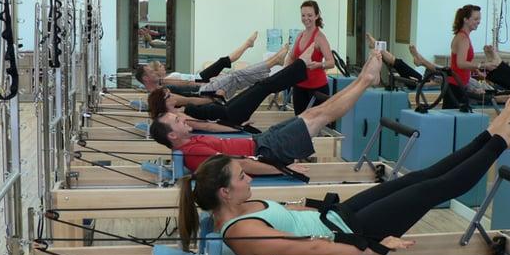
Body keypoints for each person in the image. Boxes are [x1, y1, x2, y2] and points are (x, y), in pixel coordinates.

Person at [176, 98, 510, 255]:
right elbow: (311, 249)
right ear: (224, 192)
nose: (247, 176)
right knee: (434, 190)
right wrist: (371, 246)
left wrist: (313, 204)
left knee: (420, 177)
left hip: (339, 216)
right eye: (241, 176)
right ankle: (501, 142)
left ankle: (490, 134)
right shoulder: (242, 233)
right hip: (353, 237)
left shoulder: (233, 208)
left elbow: (289, 213)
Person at [150, 48, 380, 173]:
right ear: (172, 135)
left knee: (314, 113)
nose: (182, 120)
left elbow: (210, 128)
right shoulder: (193, 153)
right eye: (177, 122)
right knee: (320, 115)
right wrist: (282, 169)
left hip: (260, 140)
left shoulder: (189, 142)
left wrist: (239, 128)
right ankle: (365, 80)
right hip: (268, 150)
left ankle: (363, 79)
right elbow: (239, 165)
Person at [137, 43, 289, 108]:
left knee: (236, 77)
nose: (156, 72)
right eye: (151, 72)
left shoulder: (163, 84)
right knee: (234, 76)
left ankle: (273, 63)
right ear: (146, 79)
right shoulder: (158, 94)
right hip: (205, 96)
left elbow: (190, 84)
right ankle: (273, 62)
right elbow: (187, 100)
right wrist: (212, 98)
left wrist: (207, 84)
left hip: (205, 89)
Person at [135, 31, 260, 92]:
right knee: (223, 62)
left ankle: (247, 45)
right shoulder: (169, 79)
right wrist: (206, 83)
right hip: (201, 79)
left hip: (200, 77)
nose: (163, 67)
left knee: (224, 64)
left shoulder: (168, 79)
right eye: (160, 66)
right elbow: (189, 83)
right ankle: (247, 45)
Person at [285, 0, 335, 115]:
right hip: (299, 86)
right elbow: (292, 57)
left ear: (317, 16)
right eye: (303, 15)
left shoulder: (320, 37)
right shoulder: (300, 35)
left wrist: (319, 65)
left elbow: (331, 62)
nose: (306, 18)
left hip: (317, 89)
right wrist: (284, 72)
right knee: (299, 123)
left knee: (316, 127)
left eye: (310, 15)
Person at [445, 5, 497, 109]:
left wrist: (477, 71)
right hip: (455, 86)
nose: (478, 22)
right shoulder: (463, 38)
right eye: (476, 19)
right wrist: (484, 65)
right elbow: (461, 63)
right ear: (466, 20)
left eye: (479, 19)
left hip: (460, 84)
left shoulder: (463, 36)